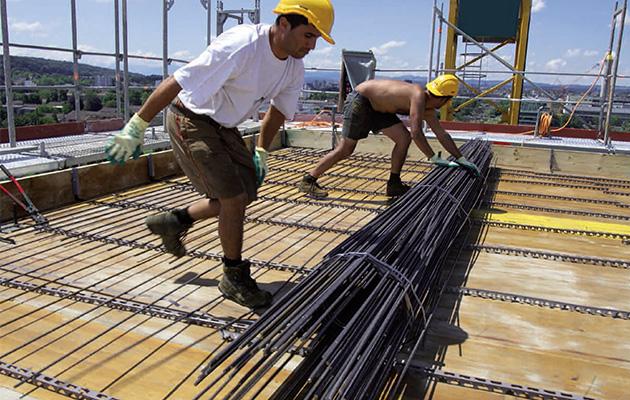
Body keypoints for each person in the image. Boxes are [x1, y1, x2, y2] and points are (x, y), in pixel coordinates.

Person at [104, 0, 335, 309]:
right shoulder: (242, 46)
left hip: (224, 125)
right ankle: (233, 275)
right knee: (233, 199)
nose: (312, 45)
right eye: (308, 35)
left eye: (316, 38)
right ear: (283, 24)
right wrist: (138, 124)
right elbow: (179, 80)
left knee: (246, 191)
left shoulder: (293, 67)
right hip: (191, 117)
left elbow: (278, 112)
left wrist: (263, 149)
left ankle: (176, 220)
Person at [297, 74, 481, 198]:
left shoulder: (429, 107)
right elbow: (416, 131)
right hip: (361, 101)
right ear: (444, 98)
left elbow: (442, 134)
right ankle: (309, 180)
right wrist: (432, 157)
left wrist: (461, 159)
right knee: (346, 148)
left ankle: (394, 184)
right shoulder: (418, 96)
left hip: (379, 108)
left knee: (403, 138)